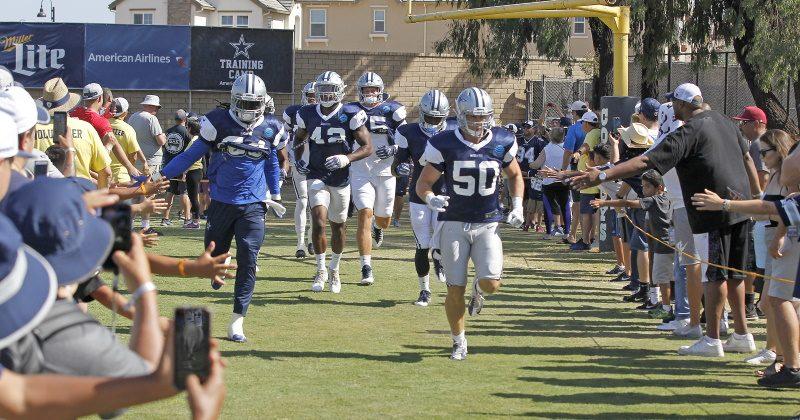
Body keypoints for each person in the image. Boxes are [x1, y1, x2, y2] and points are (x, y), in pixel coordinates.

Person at [571, 83, 761, 357]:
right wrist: (755, 198)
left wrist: (601, 176)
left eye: (675, 104)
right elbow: (747, 159)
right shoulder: (723, 120)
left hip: (711, 209)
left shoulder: (690, 130)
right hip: (739, 206)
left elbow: (645, 162)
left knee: (715, 273)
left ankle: (712, 340)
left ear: (683, 105)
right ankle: (742, 334)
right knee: (734, 273)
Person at [160, 73, 283, 343]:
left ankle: (237, 320)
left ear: (263, 103)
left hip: (253, 204)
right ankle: (223, 258)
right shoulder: (218, 121)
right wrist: (164, 174)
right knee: (212, 255)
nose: (249, 110)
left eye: (254, 104)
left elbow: (272, 161)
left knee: (249, 257)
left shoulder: (272, 127)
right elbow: (192, 154)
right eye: (244, 103)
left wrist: (275, 193)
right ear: (233, 100)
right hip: (222, 202)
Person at [416, 87, 524, 360]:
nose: (478, 122)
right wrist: (430, 199)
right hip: (454, 222)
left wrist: (518, 204)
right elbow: (423, 183)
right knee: (455, 287)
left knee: (491, 282)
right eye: (473, 117)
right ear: (460, 115)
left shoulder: (502, 140)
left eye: (483, 116)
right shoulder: (445, 143)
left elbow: (514, 175)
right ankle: (459, 341)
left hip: (488, 222)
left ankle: (479, 291)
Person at [293, 71, 373, 294]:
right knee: (318, 221)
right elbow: (298, 139)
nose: (326, 94)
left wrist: (346, 158)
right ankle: (320, 269)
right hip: (316, 174)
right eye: (322, 89)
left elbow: (368, 147)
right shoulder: (307, 113)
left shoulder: (350, 114)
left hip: (341, 179)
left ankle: (334, 269)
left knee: (338, 227)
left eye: (331, 89)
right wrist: (298, 160)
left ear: (339, 90)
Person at [391, 89, 454, 307]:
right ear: (421, 114)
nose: (433, 122)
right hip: (419, 197)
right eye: (429, 117)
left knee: (443, 245)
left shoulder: (454, 132)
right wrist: (401, 167)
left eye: (438, 118)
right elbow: (395, 167)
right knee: (422, 245)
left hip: (445, 195)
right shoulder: (409, 132)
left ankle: (450, 290)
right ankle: (424, 290)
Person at [349, 72, 407, 285]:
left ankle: (378, 228)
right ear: (360, 91)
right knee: (365, 213)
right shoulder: (351, 110)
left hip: (385, 172)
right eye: (366, 89)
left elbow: (404, 138)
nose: (370, 93)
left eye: (374, 89)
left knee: (383, 219)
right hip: (360, 170)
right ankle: (366, 266)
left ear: (381, 90)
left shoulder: (393, 110)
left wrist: (393, 148)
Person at [592, 170, 674, 315]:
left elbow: (628, 202)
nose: (643, 190)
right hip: (658, 245)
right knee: (660, 275)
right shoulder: (665, 198)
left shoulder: (654, 200)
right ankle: (656, 302)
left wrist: (605, 202)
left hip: (662, 246)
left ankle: (666, 309)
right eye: (642, 186)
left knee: (663, 277)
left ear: (660, 187)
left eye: (647, 187)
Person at [34, 78, 112, 187]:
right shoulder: (86, 128)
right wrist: (102, 198)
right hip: (82, 197)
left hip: (43, 195)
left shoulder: (32, 130)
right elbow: (106, 172)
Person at [733, 105, 771, 321]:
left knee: (754, 262)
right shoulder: (765, 143)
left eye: (744, 122)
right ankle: (758, 303)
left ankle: (753, 305)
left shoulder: (758, 144)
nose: (741, 126)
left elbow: (762, 179)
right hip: (767, 212)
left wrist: (751, 202)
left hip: (760, 212)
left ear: (758, 124)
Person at [71, 83, 141, 180]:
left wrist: (104, 116)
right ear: (100, 98)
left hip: (74, 168)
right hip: (95, 173)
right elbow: (113, 143)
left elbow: (89, 119)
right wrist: (129, 167)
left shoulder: (74, 113)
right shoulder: (101, 121)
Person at [283, 81, 316, 258]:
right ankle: (300, 242)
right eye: (310, 96)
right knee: (303, 201)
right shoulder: (293, 112)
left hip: (319, 165)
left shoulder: (327, 114)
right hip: (300, 163)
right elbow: (285, 138)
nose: (313, 100)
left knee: (316, 204)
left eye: (315, 96)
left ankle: (312, 238)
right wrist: (290, 158)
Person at [127, 95, 167, 233]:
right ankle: (145, 226)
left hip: (136, 161)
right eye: (156, 107)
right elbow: (161, 141)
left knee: (135, 193)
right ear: (151, 106)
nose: (156, 109)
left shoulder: (132, 117)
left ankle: (129, 225)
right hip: (152, 162)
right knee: (149, 192)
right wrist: (164, 136)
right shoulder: (151, 119)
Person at [570, 111, 601, 251]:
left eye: (583, 122)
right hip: (593, 181)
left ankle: (587, 240)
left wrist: (578, 153)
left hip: (589, 183)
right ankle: (591, 239)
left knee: (587, 212)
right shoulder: (598, 132)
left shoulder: (591, 134)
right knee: (593, 212)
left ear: (588, 123)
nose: (582, 125)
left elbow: (587, 147)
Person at [561, 101, 589, 244]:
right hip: (596, 169)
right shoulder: (595, 127)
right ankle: (589, 236)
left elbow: (568, 152)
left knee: (577, 203)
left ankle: (573, 234)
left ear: (574, 113)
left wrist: (563, 170)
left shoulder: (573, 129)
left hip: (577, 170)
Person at [531, 127, 568, 238]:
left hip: (548, 181)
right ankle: (567, 232)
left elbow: (537, 164)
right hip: (563, 179)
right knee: (564, 206)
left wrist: (530, 165)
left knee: (548, 206)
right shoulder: (567, 148)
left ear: (551, 136)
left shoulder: (547, 148)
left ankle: (549, 233)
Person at [161, 109, 193, 228]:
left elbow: (164, 147)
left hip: (169, 166)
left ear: (175, 119)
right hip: (181, 166)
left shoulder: (168, 132)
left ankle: (165, 218)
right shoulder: (187, 132)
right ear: (185, 119)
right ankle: (187, 219)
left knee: (170, 193)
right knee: (184, 192)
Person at [107, 97, 144, 185]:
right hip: (122, 178)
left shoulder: (102, 124)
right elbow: (133, 156)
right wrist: (130, 168)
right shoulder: (128, 129)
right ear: (125, 113)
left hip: (102, 175)